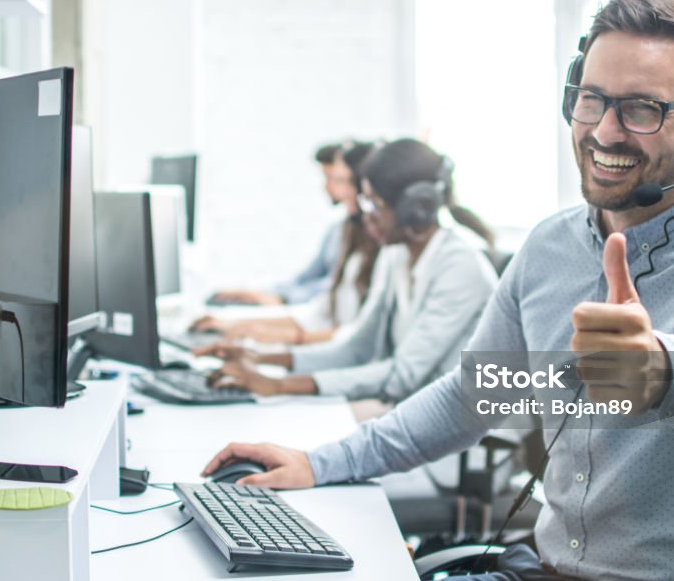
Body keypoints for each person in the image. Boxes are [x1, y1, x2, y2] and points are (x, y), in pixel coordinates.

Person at [201, 0, 674, 581]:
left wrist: (658, 368)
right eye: (591, 99)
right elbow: (472, 396)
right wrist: (318, 462)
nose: (602, 130)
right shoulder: (550, 246)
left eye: (642, 110)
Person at [195, 138, 499, 402]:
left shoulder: (460, 268)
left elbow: (402, 375)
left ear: (413, 208)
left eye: (376, 204)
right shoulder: (397, 257)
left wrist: (277, 385)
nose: (366, 216)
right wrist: (260, 360)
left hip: (457, 436)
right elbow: (357, 349)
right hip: (413, 411)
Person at [192, 142, 381, 344]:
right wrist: (235, 324)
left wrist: (263, 332)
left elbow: (354, 335)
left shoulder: (382, 252)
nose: (336, 190)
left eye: (342, 181)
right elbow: (318, 309)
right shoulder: (345, 232)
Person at [207, 142, 352, 306]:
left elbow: (339, 288)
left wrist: (284, 298)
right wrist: (259, 293)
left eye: (333, 179)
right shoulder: (337, 230)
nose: (326, 186)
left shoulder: (371, 235)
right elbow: (305, 278)